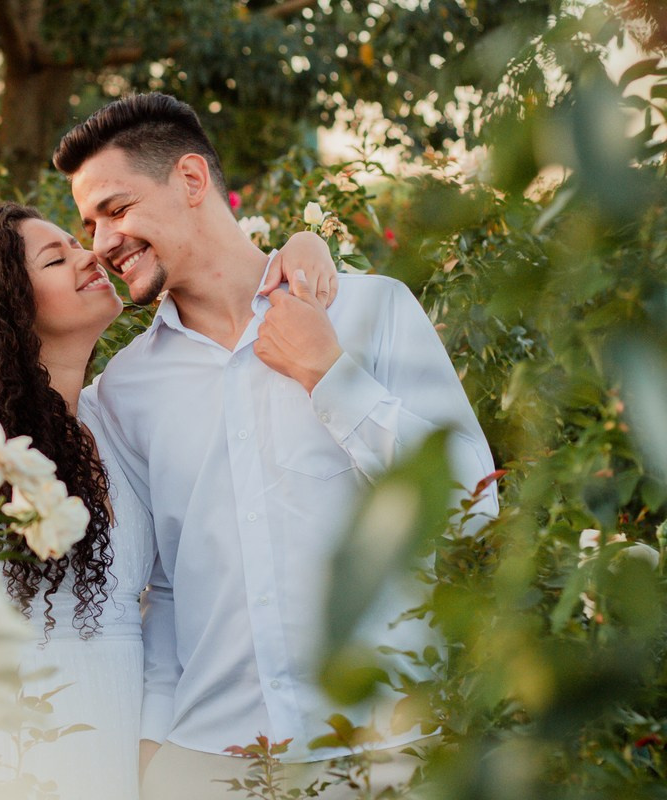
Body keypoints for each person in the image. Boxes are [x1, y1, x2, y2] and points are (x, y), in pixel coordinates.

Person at [52, 93, 499, 800]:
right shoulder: (124, 393)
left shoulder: (371, 310)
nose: (102, 242)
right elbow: (160, 590)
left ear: (193, 181)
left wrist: (330, 376)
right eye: (88, 224)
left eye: (116, 209)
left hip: (389, 751)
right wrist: (149, 761)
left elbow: (473, 503)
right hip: (207, 763)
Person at [0, 203, 338, 799]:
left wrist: (305, 243)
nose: (90, 255)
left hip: (121, 736)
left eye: (76, 242)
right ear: (13, 302)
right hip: (10, 738)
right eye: (56, 256)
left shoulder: (116, 422)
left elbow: (170, 589)